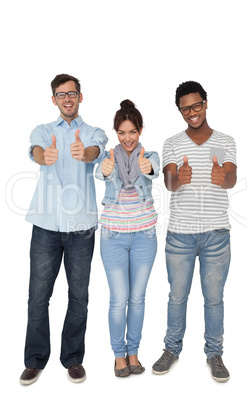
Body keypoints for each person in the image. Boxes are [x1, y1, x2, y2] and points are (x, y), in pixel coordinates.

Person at [19, 74, 108, 385]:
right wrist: (46, 157)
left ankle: (72, 358)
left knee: (79, 296)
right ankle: (35, 360)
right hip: (45, 226)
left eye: (72, 93)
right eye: (60, 94)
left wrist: (88, 154)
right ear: (54, 100)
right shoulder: (43, 131)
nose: (67, 99)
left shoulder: (93, 132)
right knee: (37, 296)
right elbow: (36, 151)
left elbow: (97, 149)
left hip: (81, 228)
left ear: (80, 97)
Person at [152, 81, 237, 382]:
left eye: (196, 105)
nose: (192, 112)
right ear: (180, 110)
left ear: (206, 103)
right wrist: (179, 178)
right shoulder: (172, 143)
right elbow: (169, 184)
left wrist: (222, 177)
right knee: (177, 296)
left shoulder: (224, 141)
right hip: (180, 235)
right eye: (185, 108)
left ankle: (214, 354)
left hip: (216, 234)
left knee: (214, 298)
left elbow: (231, 179)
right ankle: (171, 349)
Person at [95, 100, 159, 377]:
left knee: (138, 297)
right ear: (116, 133)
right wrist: (106, 168)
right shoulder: (108, 157)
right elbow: (100, 172)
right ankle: (118, 355)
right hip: (113, 237)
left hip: (145, 236)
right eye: (122, 132)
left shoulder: (150, 155)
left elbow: (154, 168)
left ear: (141, 130)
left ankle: (134, 352)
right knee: (118, 299)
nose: (127, 138)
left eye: (132, 132)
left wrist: (146, 166)